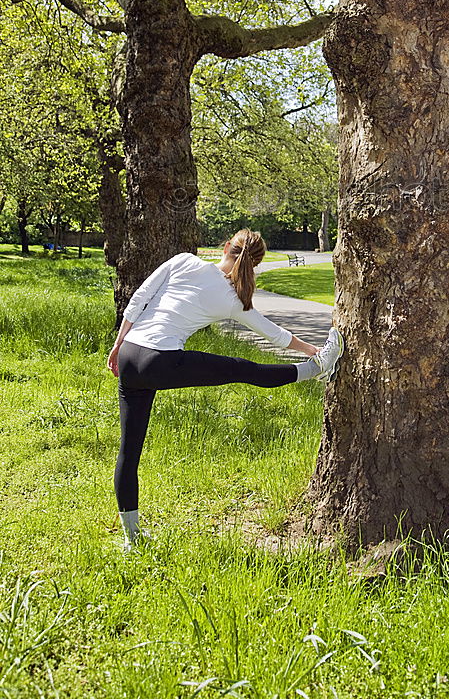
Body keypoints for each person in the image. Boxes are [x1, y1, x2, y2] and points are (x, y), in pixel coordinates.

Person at [106, 229, 343, 552]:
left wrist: (118, 345)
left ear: (225, 247)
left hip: (131, 356)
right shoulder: (233, 300)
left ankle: (131, 539)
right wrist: (310, 349)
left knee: (128, 452)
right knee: (239, 369)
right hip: (160, 360)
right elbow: (274, 334)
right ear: (255, 264)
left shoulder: (182, 261)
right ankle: (315, 368)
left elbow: (137, 300)